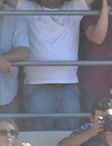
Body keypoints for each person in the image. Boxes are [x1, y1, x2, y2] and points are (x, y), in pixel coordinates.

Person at [7, 0, 95, 130]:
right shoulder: (29, 8)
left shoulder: (73, 8)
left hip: (69, 85)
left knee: (69, 136)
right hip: (37, 85)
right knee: (39, 136)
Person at [0, 0, 29, 114]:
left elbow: (23, 52)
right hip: (7, 92)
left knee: (10, 131)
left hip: (6, 94)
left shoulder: (15, 16)